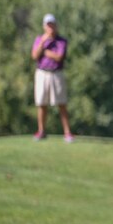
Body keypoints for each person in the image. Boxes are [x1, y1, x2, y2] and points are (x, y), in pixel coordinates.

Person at [31, 13, 74, 142]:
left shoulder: (61, 41)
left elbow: (59, 57)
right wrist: (43, 43)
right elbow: (34, 56)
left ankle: (67, 133)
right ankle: (41, 131)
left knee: (61, 103)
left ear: (56, 26)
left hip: (56, 73)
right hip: (42, 73)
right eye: (48, 25)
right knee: (41, 103)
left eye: (52, 25)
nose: (50, 28)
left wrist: (46, 52)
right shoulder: (40, 39)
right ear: (44, 26)